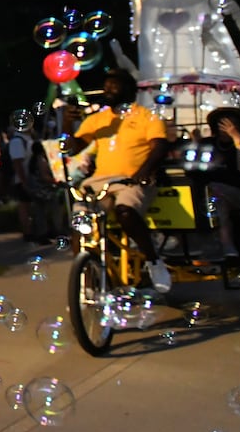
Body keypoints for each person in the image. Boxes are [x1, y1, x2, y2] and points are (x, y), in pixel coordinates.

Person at [65, 69, 171, 292]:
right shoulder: (99, 120)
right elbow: (74, 148)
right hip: (100, 182)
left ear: (129, 90)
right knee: (80, 219)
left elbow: (159, 146)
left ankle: (153, 261)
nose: (108, 89)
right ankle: (85, 279)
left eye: (115, 85)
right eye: (107, 85)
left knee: (125, 211)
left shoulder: (146, 116)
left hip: (132, 181)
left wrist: (144, 171)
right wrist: (67, 123)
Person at [200, 107, 240, 266]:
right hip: (209, 196)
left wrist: (238, 142)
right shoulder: (207, 144)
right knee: (214, 197)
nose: (226, 128)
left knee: (216, 193)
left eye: (231, 124)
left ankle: (228, 246)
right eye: (223, 124)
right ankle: (224, 246)